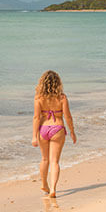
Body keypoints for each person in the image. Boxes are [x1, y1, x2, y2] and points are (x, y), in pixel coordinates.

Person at [32, 70, 77, 198]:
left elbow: (36, 117)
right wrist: (72, 132)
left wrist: (34, 136)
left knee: (44, 159)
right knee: (54, 162)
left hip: (43, 129)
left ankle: (44, 184)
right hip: (57, 128)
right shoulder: (62, 98)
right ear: (58, 83)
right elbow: (68, 117)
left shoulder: (38, 98)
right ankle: (52, 189)